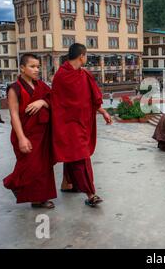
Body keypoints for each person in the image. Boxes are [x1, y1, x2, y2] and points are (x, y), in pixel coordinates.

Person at [51, 43, 112, 207]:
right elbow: (56, 101)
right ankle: (91, 194)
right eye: (86, 56)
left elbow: (91, 99)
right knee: (81, 157)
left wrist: (103, 112)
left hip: (82, 122)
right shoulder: (61, 76)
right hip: (68, 124)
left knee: (72, 155)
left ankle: (67, 184)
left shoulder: (83, 75)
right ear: (82, 56)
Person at [3, 54, 57, 209]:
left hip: (42, 133)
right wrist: (21, 138)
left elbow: (54, 99)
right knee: (29, 166)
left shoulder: (41, 85)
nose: (36, 70)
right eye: (32, 66)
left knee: (43, 167)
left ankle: (38, 199)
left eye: (38, 67)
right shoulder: (15, 88)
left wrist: (43, 102)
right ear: (22, 68)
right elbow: (13, 114)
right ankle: (13, 183)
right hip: (25, 133)